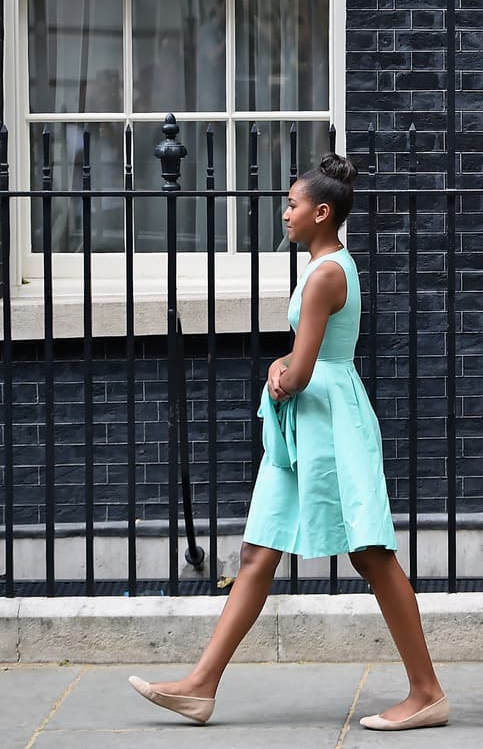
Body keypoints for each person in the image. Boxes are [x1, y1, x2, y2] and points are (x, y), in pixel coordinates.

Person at [128, 155, 450, 728]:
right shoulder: (322, 267)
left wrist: (280, 376)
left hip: (328, 422)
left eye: (293, 205)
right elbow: (306, 355)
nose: (285, 214)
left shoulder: (328, 272)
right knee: (259, 549)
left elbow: (301, 372)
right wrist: (284, 367)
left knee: (370, 553)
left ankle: (426, 692)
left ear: (322, 213)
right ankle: (201, 686)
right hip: (308, 421)